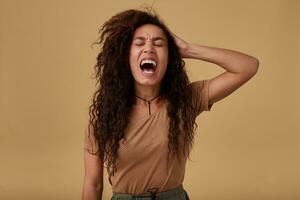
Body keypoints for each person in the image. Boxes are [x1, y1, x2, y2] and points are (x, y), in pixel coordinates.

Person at [82, 8, 259, 200]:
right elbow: (93, 183)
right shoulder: (104, 116)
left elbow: (247, 67)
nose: (149, 48)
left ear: (170, 57)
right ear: (125, 56)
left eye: (159, 43)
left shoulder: (186, 100)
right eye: (139, 43)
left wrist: (188, 49)